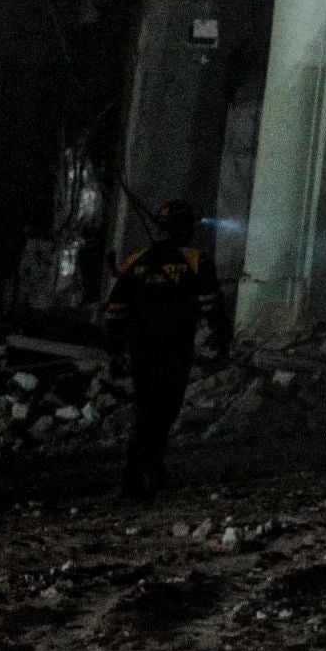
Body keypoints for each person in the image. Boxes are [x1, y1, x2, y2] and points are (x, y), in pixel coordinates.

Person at [102, 200, 230, 496]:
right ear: (184, 228)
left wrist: (114, 349)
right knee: (165, 408)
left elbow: (116, 308)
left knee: (147, 406)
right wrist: (222, 340)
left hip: (141, 349)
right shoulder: (197, 260)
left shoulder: (136, 260)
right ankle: (140, 470)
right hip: (174, 348)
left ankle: (147, 469)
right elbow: (211, 304)